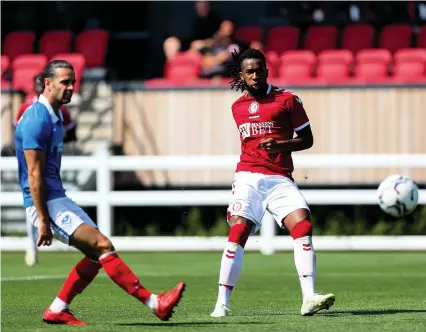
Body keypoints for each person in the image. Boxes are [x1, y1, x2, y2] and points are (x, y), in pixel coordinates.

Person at [14, 60, 186, 326]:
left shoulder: (55, 114)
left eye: (73, 82)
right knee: (102, 246)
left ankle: (57, 309)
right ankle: (155, 303)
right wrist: (43, 220)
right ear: (46, 83)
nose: (71, 87)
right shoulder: (36, 119)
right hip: (47, 203)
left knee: (97, 254)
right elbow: (33, 175)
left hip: (56, 198)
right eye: (65, 82)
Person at [210, 45, 335, 318]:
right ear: (241, 75)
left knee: (303, 224)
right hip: (248, 177)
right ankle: (221, 303)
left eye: (259, 70)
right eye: (249, 71)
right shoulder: (237, 107)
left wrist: (280, 145)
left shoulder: (288, 100)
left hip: (279, 178)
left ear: (267, 71)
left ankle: (309, 298)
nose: (255, 75)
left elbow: (307, 139)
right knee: (238, 231)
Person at [15, 73, 77, 267]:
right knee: (35, 202)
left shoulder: (54, 109)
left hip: (45, 160)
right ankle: (34, 244)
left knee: (36, 203)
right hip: (38, 162)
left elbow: (71, 130)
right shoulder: (31, 108)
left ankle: (35, 243)